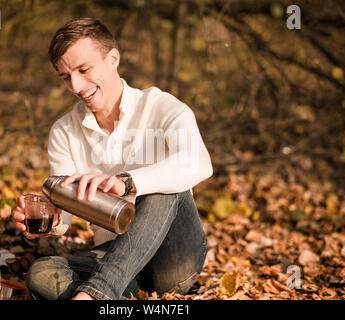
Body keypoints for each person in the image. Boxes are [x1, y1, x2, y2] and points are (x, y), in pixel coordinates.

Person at [11, 17, 213, 300]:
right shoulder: (63, 131)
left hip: (172, 259)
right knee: (42, 273)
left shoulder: (162, 107)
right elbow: (66, 217)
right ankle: (116, 294)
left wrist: (126, 183)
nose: (77, 86)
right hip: (112, 256)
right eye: (66, 77)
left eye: (84, 69)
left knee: (160, 189)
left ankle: (96, 294)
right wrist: (53, 218)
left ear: (113, 59)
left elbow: (198, 163)